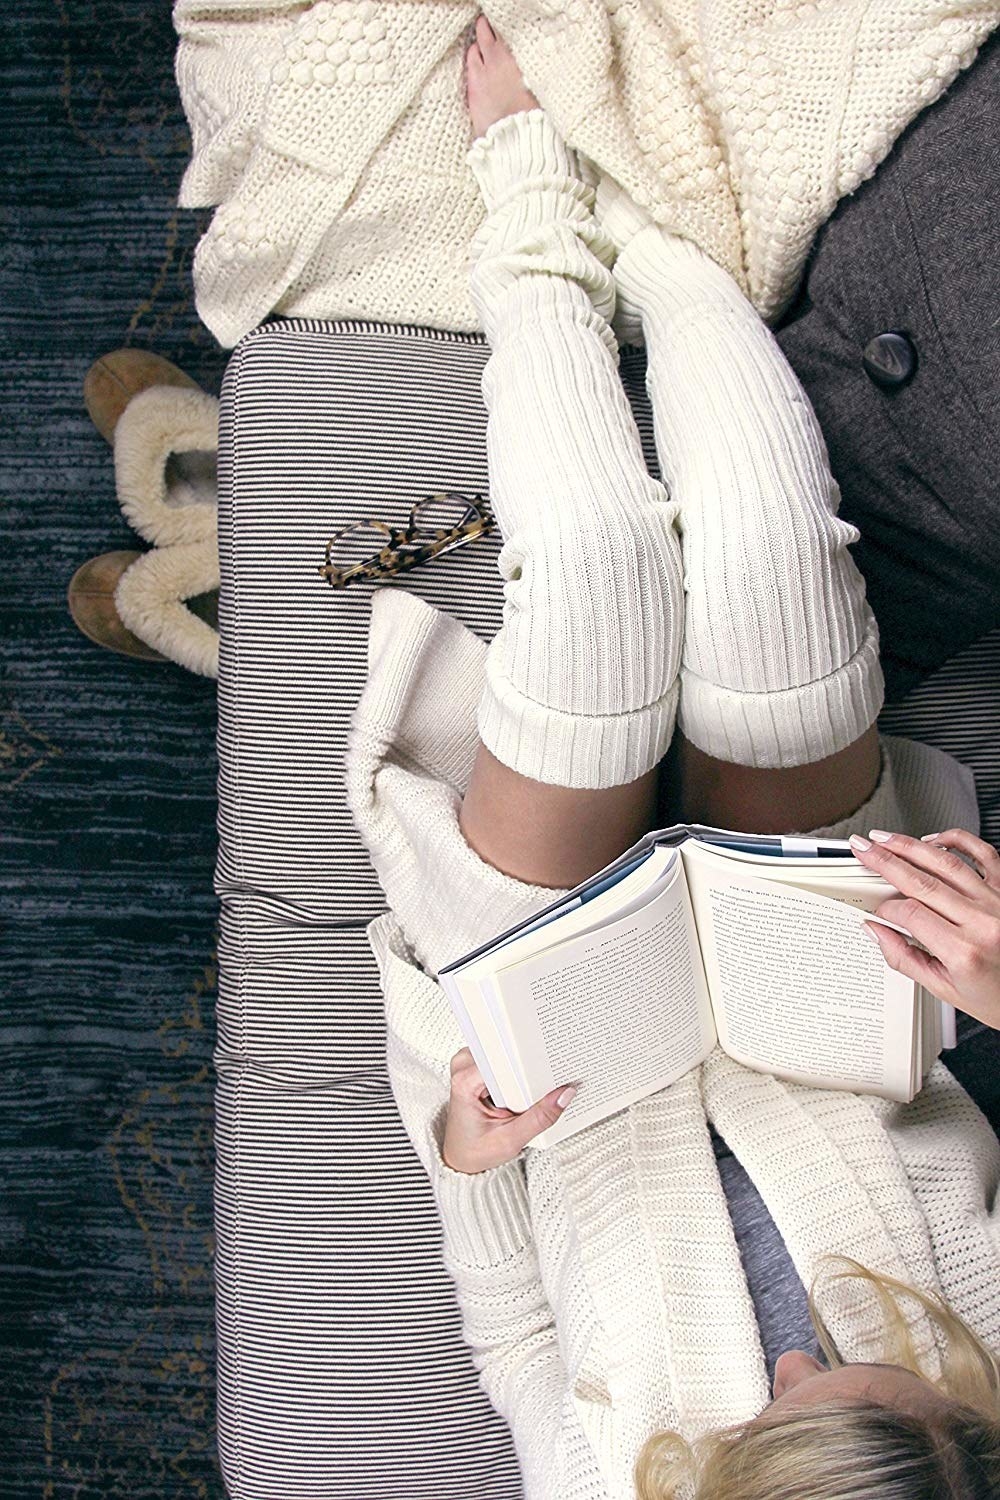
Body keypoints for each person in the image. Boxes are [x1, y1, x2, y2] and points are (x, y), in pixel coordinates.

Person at [342, 17, 1000, 1498]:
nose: (791, 1355)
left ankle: (524, 184)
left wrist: (463, 1135)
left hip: (563, 1000)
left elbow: (509, 1317)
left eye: (777, 1404)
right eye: (853, 1360)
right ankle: (649, 210)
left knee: (593, 578)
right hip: (817, 950)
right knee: (768, 551)